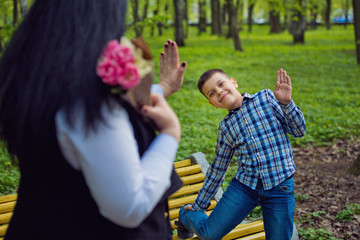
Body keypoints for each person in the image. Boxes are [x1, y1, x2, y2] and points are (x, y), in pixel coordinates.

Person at [0, 0, 187, 239]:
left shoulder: (37, 78)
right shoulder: (87, 101)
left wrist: (162, 88)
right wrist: (170, 134)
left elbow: (113, 119)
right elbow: (130, 205)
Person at [175, 68, 306, 240]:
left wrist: (287, 103)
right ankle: (186, 216)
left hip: (280, 186)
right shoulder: (226, 127)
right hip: (245, 188)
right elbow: (217, 170)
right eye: (212, 93)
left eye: (221, 84)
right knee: (209, 234)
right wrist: (199, 206)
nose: (219, 91)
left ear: (234, 82)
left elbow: (299, 131)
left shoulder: (266, 98)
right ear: (212, 103)